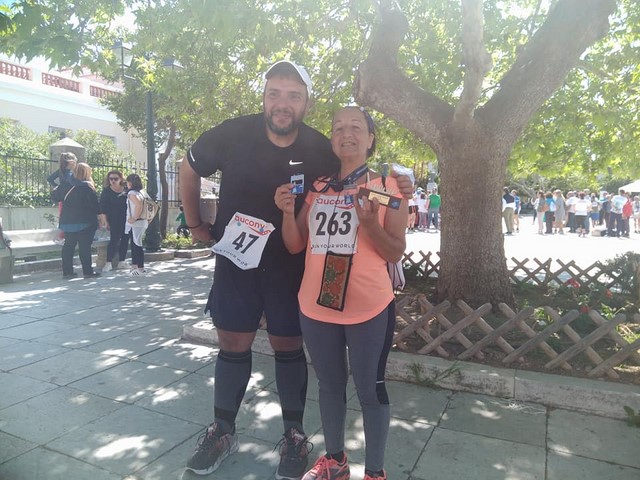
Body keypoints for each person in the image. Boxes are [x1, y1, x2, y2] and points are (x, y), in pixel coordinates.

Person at [180, 60, 412, 479]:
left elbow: (376, 204)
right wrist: (196, 224)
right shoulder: (236, 134)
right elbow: (189, 167)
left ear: (306, 103)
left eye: (293, 95)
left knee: (293, 350)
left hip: (298, 271)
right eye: (274, 93)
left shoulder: (329, 153)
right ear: (264, 97)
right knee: (234, 344)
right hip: (243, 262)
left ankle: (296, 437)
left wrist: (397, 186)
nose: (282, 103)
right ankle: (224, 430)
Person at [275, 106, 407, 480]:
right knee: (330, 386)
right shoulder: (318, 187)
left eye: (355, 127)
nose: (345, 134)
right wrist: (286, 212)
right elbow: (295, 244)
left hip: (369, 307)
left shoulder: (387, 187)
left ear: (370, 138)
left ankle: (375, 473)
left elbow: (395, 251)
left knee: (370, 390)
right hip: (316, 307)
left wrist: (370, 225)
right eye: (337, 128)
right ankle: (334, 462)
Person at [52, 162, 100, 279]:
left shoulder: (65, 184)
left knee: (68, 246)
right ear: (87, 173)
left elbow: (55, 197)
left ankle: (67, 272)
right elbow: (95, 206)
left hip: (68, 221)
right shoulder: (87, 187)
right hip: (85, 221)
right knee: (84, 248)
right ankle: (87, 272)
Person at [99, 170, 128, 271]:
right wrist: (105, 221)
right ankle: (108, 262)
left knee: (125, 239)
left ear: (121, 179)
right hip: (113, 219)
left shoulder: (126, 190)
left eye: (115, 178)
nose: (113, 181)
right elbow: (102, 207)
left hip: (126, 218)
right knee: (114, 240)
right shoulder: (106, 191)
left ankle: (122, 261)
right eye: (111, 179)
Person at [124, 174, 147, 276]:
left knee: (136, 244)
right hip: (141, 221)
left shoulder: (132, 193)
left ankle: (140, 268)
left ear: (130, 183)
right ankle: (135, 266)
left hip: (135, 223)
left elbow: (138, 205)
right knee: (136, 243)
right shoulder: (141, 193)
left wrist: (134, 218)